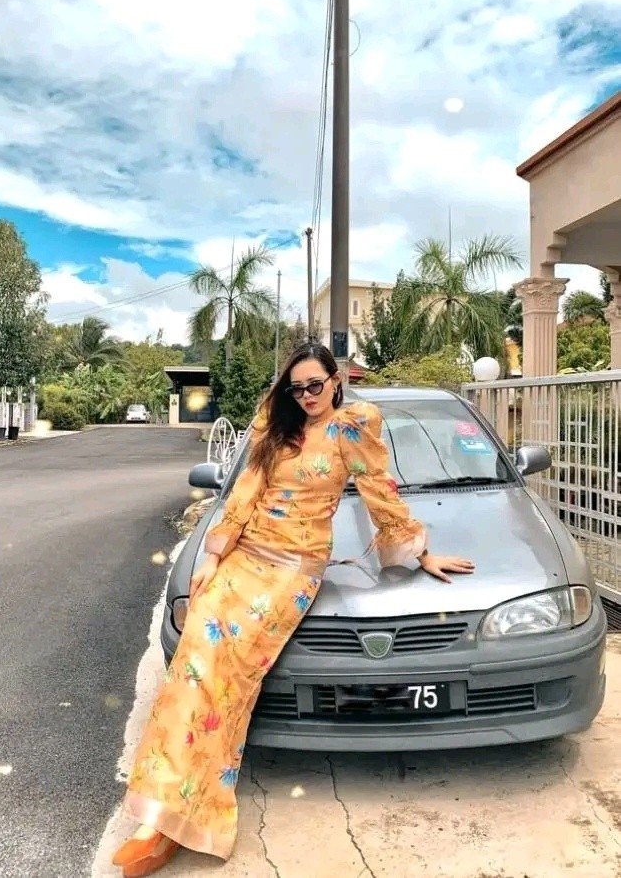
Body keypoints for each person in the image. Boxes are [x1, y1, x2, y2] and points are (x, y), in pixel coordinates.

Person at [112, 342, 474, 877]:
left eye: (315, 385)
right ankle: (161, 813)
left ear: (335, 381)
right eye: (297, 388)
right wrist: (213, 556)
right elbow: (245, 492)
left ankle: (189, 812)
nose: (306, 396)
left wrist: (422, 553)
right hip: (245, 554)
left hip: (292, 569)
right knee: (195, 662)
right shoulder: (274, 424)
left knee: (228, 675)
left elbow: (380, 492)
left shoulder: (352, 427)